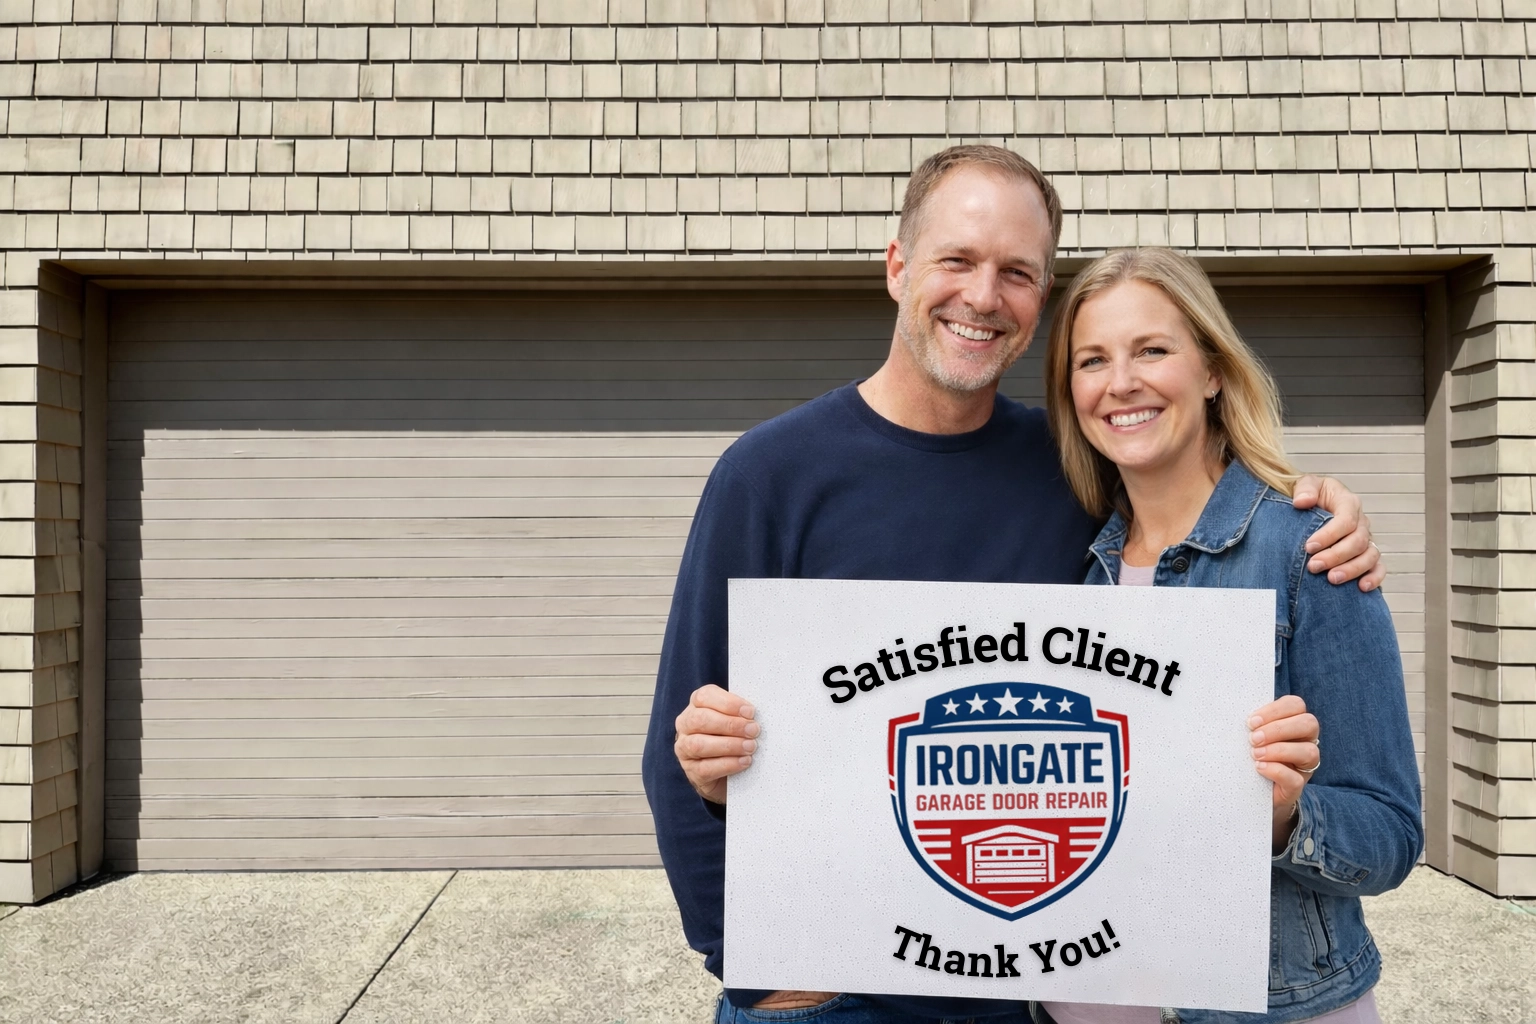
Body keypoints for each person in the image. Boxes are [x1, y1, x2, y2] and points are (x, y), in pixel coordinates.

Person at [642, 146, 1385, 1024]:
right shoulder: (769, 475)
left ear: (1040, 299)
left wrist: (1315, 506)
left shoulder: (1075, 467)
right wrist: (760, 970)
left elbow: (1191, 503)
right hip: (829, 995)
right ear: (897, 266)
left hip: (1023, 992)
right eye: (957, 259)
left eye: (1018, 273)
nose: (983, 296)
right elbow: (678, 756)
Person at [1034, 247, 1422, 1024]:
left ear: (1212, 370)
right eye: (1092, 360)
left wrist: (1283, 814)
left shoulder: (1305, 550)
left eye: (1152, 350)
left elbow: (1391, 835)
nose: (1121, 383)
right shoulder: (1081, 571)